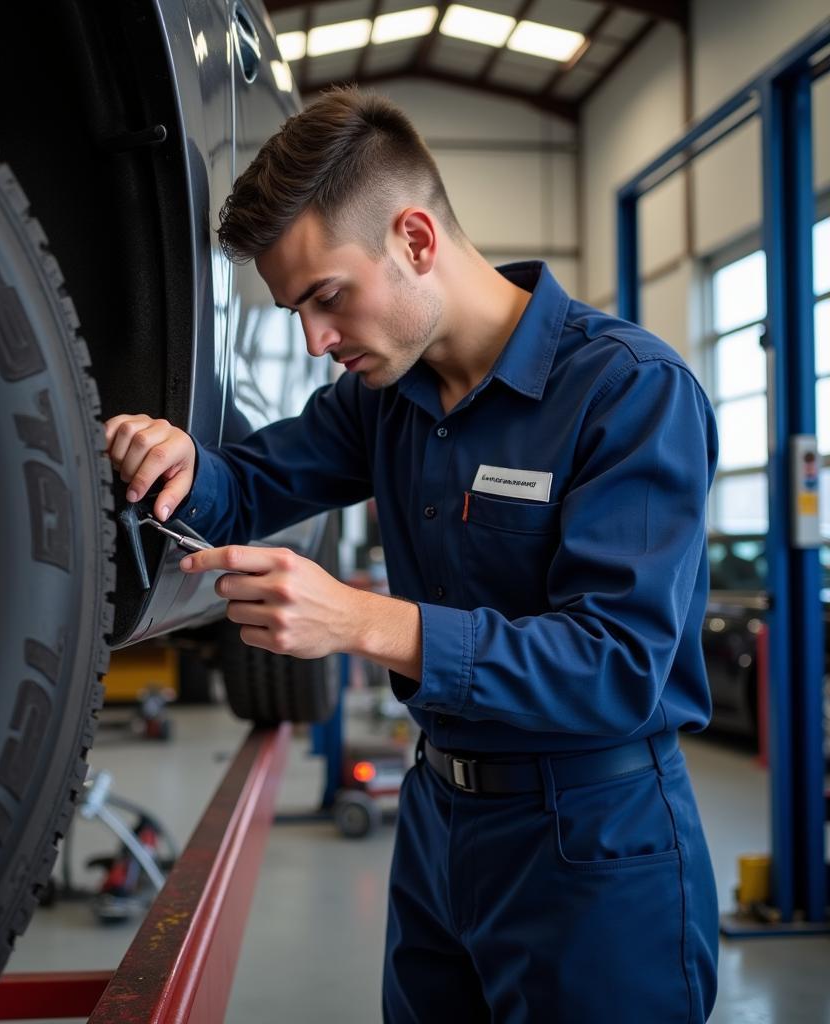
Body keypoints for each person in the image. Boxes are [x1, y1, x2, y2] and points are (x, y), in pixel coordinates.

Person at [105, 87, 719, 1022]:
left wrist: (357, 620)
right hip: (439, 823)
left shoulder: (630, 394)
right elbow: (253, 484)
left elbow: (618, 667)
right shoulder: (387, 396)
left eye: (327, 299)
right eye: (294, 313)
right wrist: (182, 462)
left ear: (416, 240)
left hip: (592, 841)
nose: (315, 342)